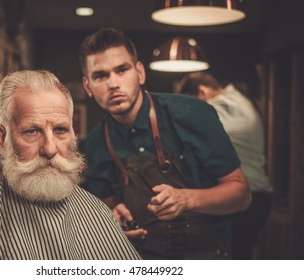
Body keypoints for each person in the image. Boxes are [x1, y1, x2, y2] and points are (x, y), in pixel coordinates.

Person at [0, 69, 141, 260]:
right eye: (32, 131)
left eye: (60, 130)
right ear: (2, 139)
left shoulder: (98, 213)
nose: (50, 149)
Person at [78, 27, 251, 260]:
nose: (113, 84)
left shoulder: (191, 114)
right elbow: (109, 207)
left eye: (122, 70)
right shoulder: (95, 144)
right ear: (88, 86)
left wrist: (186, 199)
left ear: (140, 73)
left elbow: (241, 195)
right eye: (101, 75)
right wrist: (112, 220)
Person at [178, 71, 273, 259]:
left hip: (247, 196)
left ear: (202, 91)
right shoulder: (239, 100)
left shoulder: (219, 107)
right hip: (261, 194)